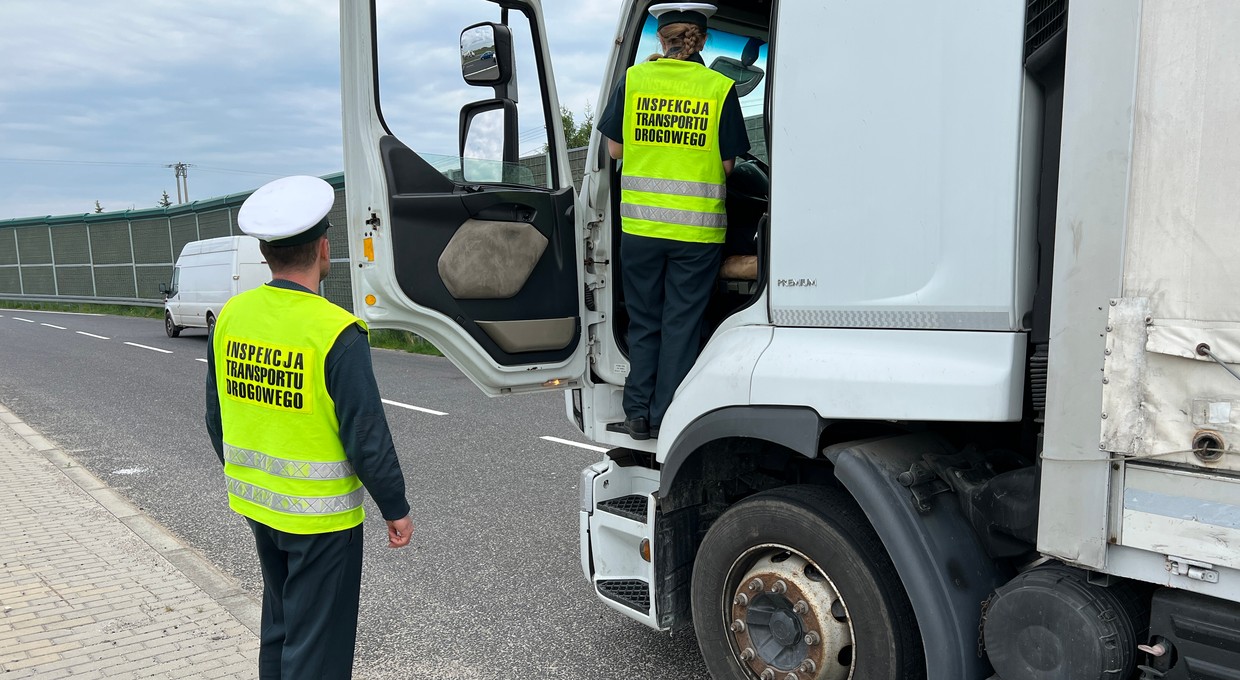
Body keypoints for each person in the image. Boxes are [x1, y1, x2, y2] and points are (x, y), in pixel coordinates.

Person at [204, 175, 412, 679]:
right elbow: (367, 436)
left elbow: (216, 417)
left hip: (259, 504)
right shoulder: (336, 331)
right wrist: (395, 507)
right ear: (324, 248)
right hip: (322, 522)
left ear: (265, 254)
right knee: (318, 649)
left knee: (280, 626)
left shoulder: (233, 316)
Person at [598, 2, 750, 440]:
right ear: (701, 40)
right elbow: (726, 166)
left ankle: (637, 413)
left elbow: (614, 152)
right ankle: (668, 416)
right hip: (697, 232)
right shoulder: (719, 87)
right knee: (682, 322)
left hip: (642, 229)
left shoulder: (635, 80)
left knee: (645, 321)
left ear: (660, 40)